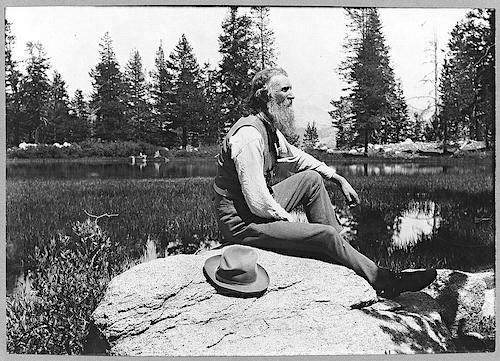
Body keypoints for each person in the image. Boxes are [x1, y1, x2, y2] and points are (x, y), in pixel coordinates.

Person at [212, 67, 436, 299]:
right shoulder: (248, 135)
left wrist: (337, 178)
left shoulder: (268, 128)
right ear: (264, 95)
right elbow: (259, 202)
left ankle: (339, 250)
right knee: (324, 235)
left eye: (292, 89)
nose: (292, 96)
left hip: (255, 209)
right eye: (285, 89)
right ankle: (383, 279)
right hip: (242, 223)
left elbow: (297, 158)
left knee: (311, 179)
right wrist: (294, 225)